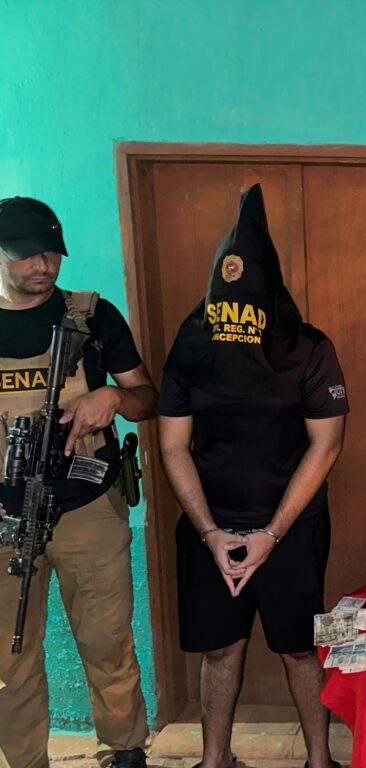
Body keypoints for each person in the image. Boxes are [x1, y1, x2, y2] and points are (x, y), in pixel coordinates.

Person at [159, 185, 348, 768]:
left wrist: (271, 534)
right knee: (220, 649)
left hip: (290, 528)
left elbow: (326, 444)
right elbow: (172, 445)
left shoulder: (309, 349)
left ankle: (320, 760)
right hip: (210, 525)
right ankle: (214, 760)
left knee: (299, 650)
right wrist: (211, 533)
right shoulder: (191, 345)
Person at [0, 197, 157, 768]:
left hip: (88, 507)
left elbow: (147, 399)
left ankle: (125, 751)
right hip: (4, 517)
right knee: (9, 657)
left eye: (51, 253)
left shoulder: (92, 318)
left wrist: (112, 397)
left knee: (108, 641)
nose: (42, 265)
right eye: (25, 255)